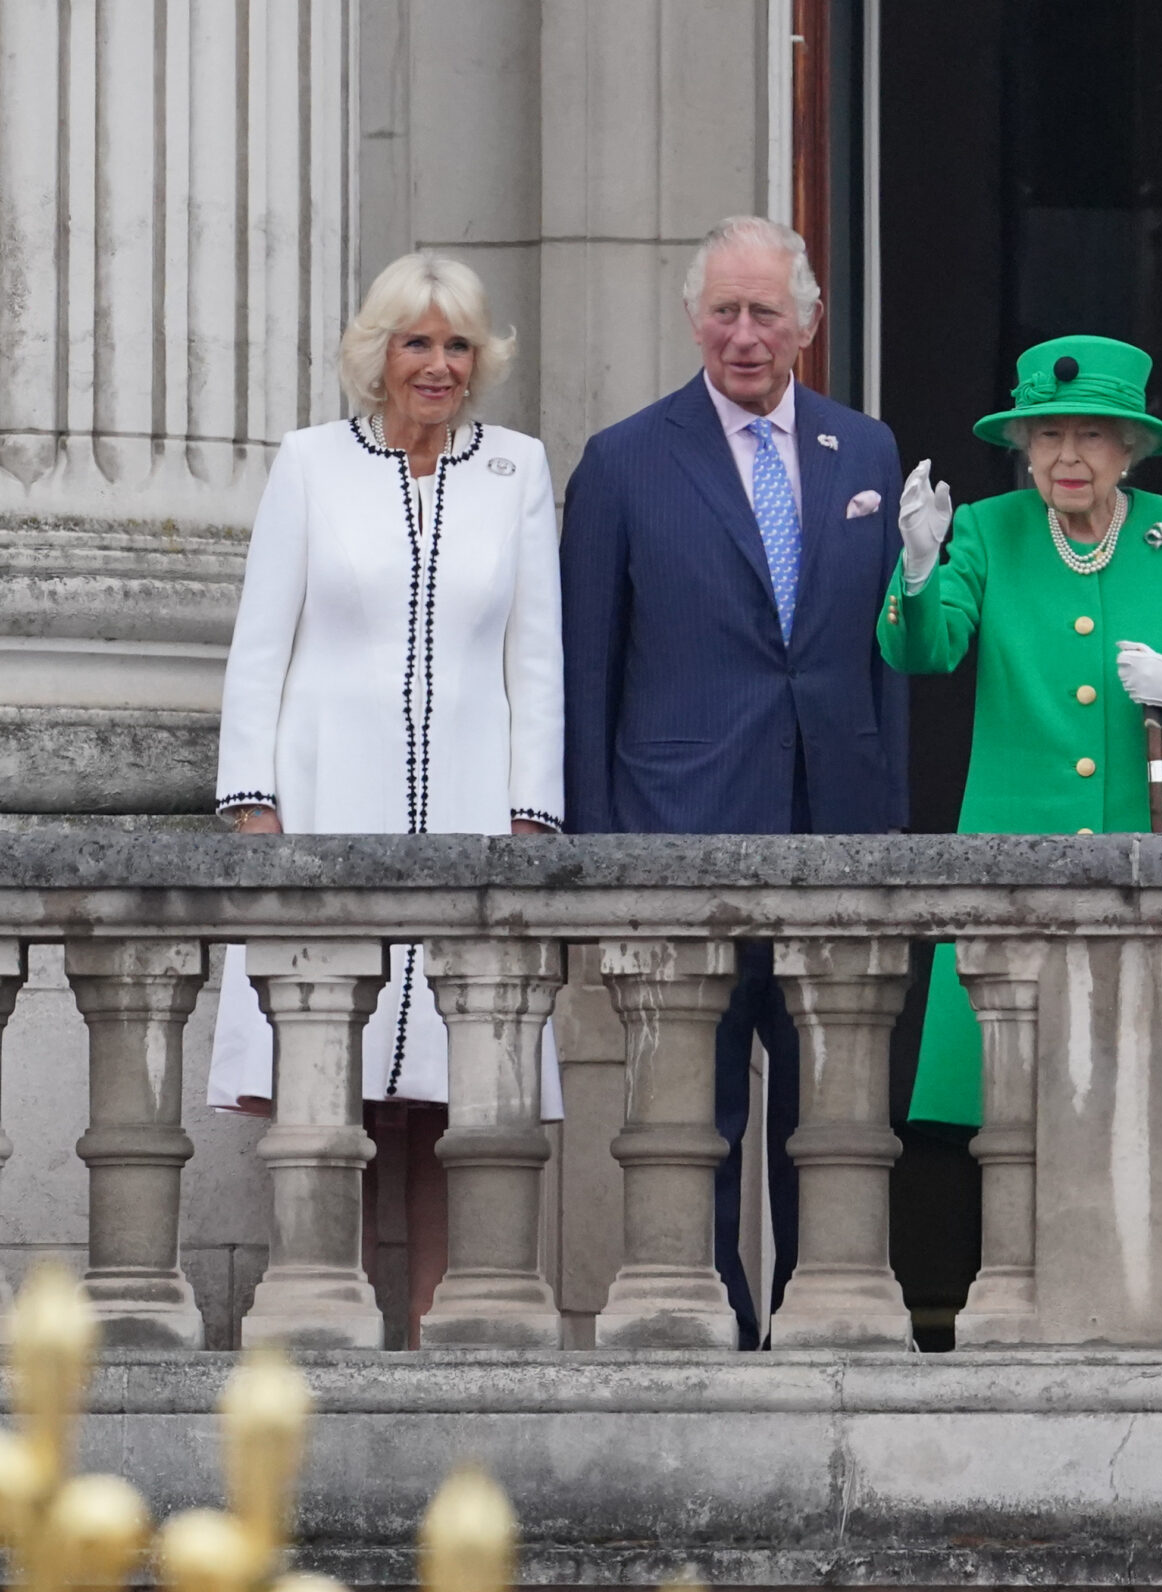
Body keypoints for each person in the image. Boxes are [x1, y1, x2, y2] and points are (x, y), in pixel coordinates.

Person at [560, 215, 909, 1348]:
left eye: (767, 312)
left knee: (833, 1118)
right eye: (725, 310)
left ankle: (819, 1323)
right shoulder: (623, 459)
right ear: (691, 318)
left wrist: (888, 831)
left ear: (809, 321)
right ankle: (708, 1324)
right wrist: (600, 852)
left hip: (834, 837)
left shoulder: (866, 453)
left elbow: (883, 657)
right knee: (690, 1122)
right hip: (679, 835)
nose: (744, 335)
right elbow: (587, 666)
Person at [210, 250, 563, 1343]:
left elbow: (535, 659)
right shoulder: (312, 465)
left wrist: (527, 818)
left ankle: (447, 1329)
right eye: (419, 342)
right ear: (380, 353)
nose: (441, 365)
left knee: (457, 1095)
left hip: (470, 812)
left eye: (458, 344)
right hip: (329, 806)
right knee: (339, 1085)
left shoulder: (517, 468)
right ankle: (336, 1327)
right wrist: (254, 805)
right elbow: (260, 646)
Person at [882, 336, 1162, 1128]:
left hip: (1145, 889)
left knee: (1142, 1121)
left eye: (1091, 434)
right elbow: (924, 650)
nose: (1068, 455)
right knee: (1010, 1123)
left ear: (1129, 447)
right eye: (1049, 435)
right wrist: (918, 569)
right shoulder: (990, 531)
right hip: (1011, 878)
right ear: (1024, 447)